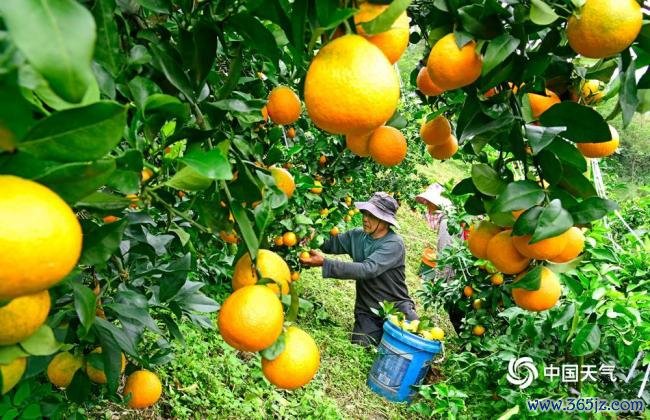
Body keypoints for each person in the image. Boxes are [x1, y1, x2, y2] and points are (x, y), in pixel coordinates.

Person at [300, 192, 418, 347]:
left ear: (384, 221)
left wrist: (325, 263)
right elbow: (329, 244)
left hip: (397, 308)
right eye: (365, 213)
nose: (365, 218)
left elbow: (367, 270)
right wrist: (308, 231)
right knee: (362, 345)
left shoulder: (394, 244)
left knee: (410, 347)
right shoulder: (357, 235)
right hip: (368, 310)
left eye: (372, 216)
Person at [415, 183, 464, 332]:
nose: (427, 207)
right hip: (462, 276)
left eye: (429, 203)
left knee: (458, 315)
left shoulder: (446, 223)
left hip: (457, 281)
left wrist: (442, 286)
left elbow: (446, 258)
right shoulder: (453, 218)